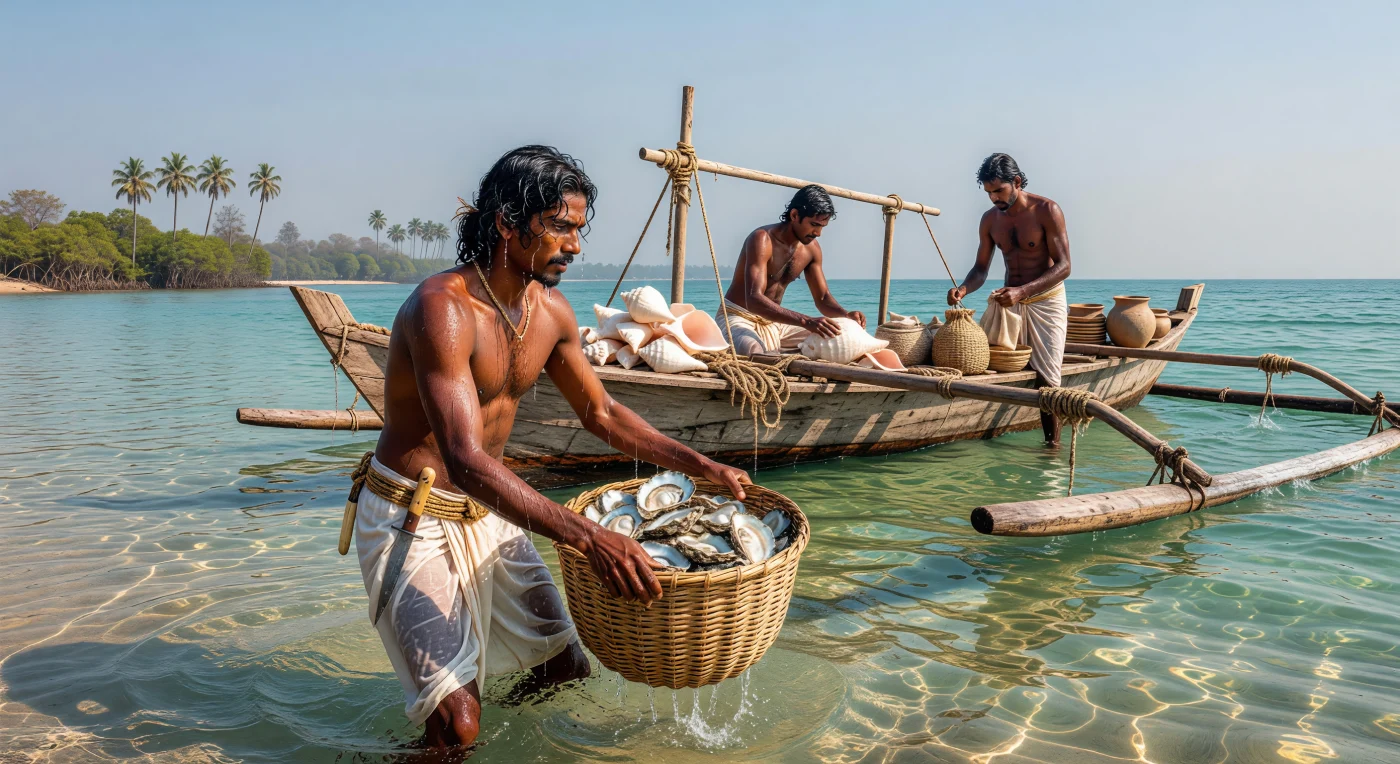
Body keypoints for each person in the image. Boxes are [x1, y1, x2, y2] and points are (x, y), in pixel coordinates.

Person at [356, 145, 751, 750]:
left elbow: (602, 413)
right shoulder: (444, 309)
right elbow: (464, 457)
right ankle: (453, 733)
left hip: (486, 510)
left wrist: (701, 464)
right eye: (559, 227)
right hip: (413, 513)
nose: (575, 245)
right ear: (507, 225)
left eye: (578, 229)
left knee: (564, 666)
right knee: (457, 724)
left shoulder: (551, 312)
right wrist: (590, 537)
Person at [947, 153, 1072, 444]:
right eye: (988, 192)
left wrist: (1023, 291)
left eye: (998, 191)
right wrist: (963, 289)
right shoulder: (989, 220)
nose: (994, 198)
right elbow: (981, 269)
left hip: (1046, 302)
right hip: (1008, 302)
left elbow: (1064, 266)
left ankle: (1052, 448)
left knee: (1047, 379)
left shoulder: (1047, 210)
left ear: (1016, 182)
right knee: (993, 364)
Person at [717, 185, 866, 355]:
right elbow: (753, 299)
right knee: (753, 350)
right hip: (739, 318)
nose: (818, 233)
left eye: (822, 226)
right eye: (814, 224)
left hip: (774, 324)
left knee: (838, 337)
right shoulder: (762, 239)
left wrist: (846, 315)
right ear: (794, 215)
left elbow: (823, 298)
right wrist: (806, 321)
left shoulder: (812, 249)